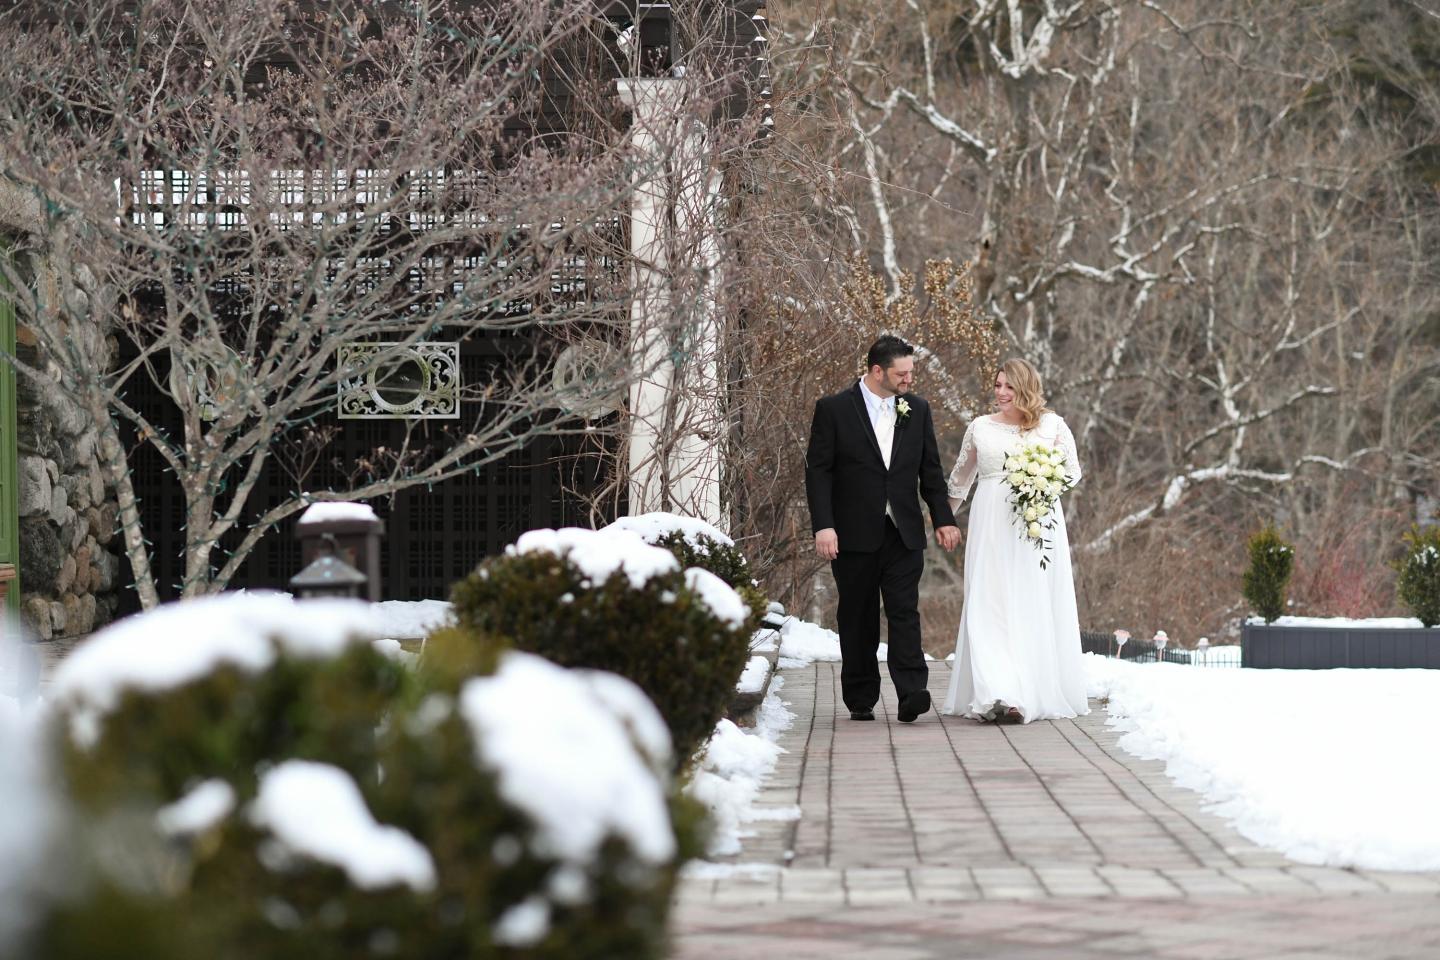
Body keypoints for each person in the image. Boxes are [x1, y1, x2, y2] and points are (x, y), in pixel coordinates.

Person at [805, 336, 961, 724]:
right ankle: (860, 697)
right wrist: (823, 525)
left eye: (911, 372)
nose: (909, 379)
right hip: (852, 532)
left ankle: (912, 692)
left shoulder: (917, 410)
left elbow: (931, 470)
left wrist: (942, 518)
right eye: (902, 373)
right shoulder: (834, 410)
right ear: (878, 371)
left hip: (903, 530)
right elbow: (818, 473)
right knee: (857, 615)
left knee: (904, 609)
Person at [941, 358, 1089, 723]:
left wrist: (1041, 488)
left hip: (1036, 524)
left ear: (1026, 389)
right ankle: (996, 691)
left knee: (1029, 602)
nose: (1001, 393)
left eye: (1009, 387)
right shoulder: (980, 427)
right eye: (997, 386)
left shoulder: (1053, 425)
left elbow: (1072, 472)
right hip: (990, 521)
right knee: (987, 603)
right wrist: (942, 518)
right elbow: (960, 480)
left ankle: (1025, 692)